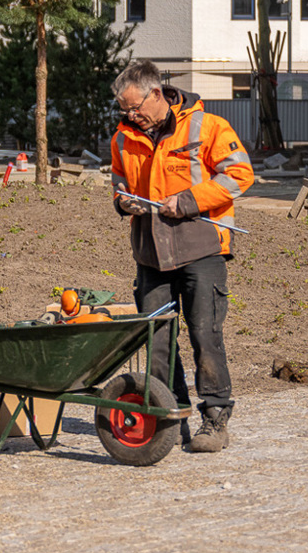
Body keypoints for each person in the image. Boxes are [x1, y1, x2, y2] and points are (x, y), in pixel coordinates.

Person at [108, 59, 256, 453]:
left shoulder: (207, 127)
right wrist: (124, 202)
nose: (130, 115)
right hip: (150, 254)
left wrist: (188, 201)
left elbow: (240, 174)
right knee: (158, 340)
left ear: (156, 93)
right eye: (124, 109)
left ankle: (215, 419)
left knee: (205, 335)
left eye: (135, 107)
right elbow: (119, 181)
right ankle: (171, 419)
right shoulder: (122, 137)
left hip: (200, 248)